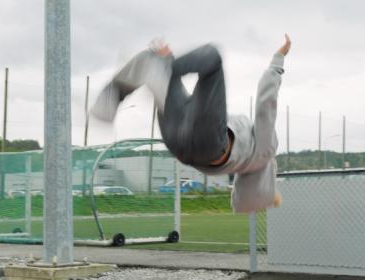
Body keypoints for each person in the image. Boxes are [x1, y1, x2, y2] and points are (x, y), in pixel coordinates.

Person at [90, 35, 290, 213]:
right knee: (157, 59)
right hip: (181, 145)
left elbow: (266, 105)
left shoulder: (265, 152)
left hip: (208, 142)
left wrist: (277, 62)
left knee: (212, 58)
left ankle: (152, 75)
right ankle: (158, 69)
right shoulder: (242, 167)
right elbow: (245, 200)